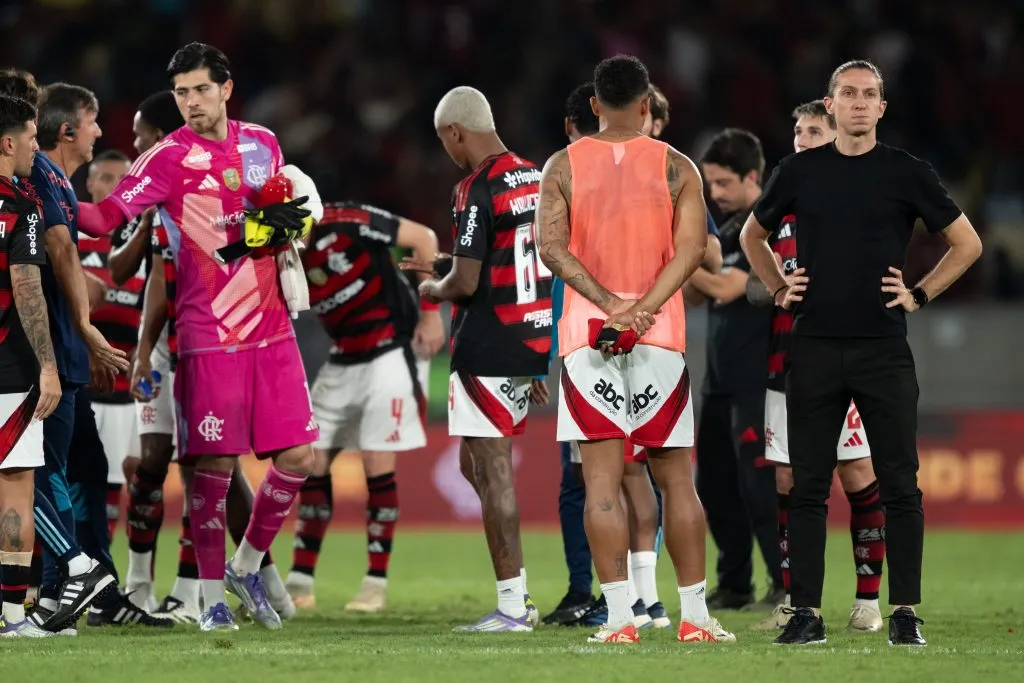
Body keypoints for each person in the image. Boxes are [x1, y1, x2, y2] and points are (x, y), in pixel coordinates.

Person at [77, 42, 318, 632]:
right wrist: (46, 193)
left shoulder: (264, 144)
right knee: (211, 468)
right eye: (182, 93)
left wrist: (287, 226)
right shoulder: (163, 159)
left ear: (226, 89)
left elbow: (285, 214)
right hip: (208, 334)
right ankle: (210, 602)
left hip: (272, 328)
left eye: (200, 90)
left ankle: (247, 564)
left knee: (300, 456)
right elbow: (105, 219)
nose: (190, 102)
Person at [740, 59, 983, 646]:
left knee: (900, 483)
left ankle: (903, 613)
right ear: (830, 104)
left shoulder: (906, 172)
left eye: (868, 95)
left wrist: (919, 293)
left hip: (882, 349)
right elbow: (752, 234)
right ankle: (807, 615)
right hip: (816, 346)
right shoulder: (799, 171)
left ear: (882, 108)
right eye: (846, 93)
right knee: (809, 488)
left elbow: (967, 243)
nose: (857, 103)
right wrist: (778, 286)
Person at [536, 54, 732, 644]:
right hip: (660, 336)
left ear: (594, 105)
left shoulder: (561, 165)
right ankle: (695, 617)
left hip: (585, 337)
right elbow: (693, 251)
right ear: (647, 104)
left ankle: (620, 619)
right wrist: (644, 306)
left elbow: (552, 248)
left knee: (601, 482)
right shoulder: (678, 167)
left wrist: (607, 303)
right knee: (675, 478)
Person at [400, 85, 551, 633]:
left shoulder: (475, 185)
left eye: (444, 140)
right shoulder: (534, 176)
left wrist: (432, 290)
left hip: (488, 342)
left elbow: (465, 283)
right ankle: (517, 595)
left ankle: (514, 605)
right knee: (476, 467)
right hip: (528, 335)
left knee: (491, 470)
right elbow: (520, 256)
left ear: (454, 133)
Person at [747, 100, 885, 633]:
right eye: (798, 131)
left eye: (813, 131)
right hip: (786, 363)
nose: (801, 140)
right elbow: (756, 286)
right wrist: (778, 287)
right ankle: (795, 600)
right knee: (789, 480)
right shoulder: (779, 205)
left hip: (844, 357)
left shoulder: (853, 200)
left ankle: (868, 602)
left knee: (856, 473)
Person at [285, 201, 444, 612]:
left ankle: (375, 582)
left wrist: (430, 315)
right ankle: (300, 580)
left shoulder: (346, 221)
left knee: (376, 461)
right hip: (342, 356)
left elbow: (423, 239)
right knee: (310, 462)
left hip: (390, 347)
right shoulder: (277, 254)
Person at [17, 81, 129, 634]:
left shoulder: (42, 176)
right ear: (69, 131)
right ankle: (65, 587)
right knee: (50, 468)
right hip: (57, 345)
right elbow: (79, 236)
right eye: (94, 122)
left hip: (50, 347)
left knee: (48, 468)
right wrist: (85, 329)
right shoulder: (46, 176)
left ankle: (68, 583)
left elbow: (82, 234)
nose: (100, 132)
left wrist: (82, 329)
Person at [688, 128, 781, 611]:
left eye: (723, 183)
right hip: (719, 381)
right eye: (710, 185)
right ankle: (735, 582)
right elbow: (698, 293)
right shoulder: (724, 231)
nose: (716, 194)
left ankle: (783, 581)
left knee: (758, 486)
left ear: (752, 178)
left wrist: (680, 263)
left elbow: (728, 288)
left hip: (756, 381)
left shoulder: (764, 228)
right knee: (715, 486)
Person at [0, 93, 61, 638]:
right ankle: (13, 616)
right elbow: (26, 285)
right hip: (8, 371)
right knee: (15, 484)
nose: (36, 149)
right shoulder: (22, 206)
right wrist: (48, 364)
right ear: (7, 142)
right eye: (31, 138)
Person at [80, 149, 136, 540]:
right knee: (65, 485)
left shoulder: (140, 242)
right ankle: (43, 581)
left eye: (122, 180)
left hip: (126, 390)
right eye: (104, 177)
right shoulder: (68, 235)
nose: (113, 187)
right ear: (89, 182)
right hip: (74, 385)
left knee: (115, 486)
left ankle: (106, 574)